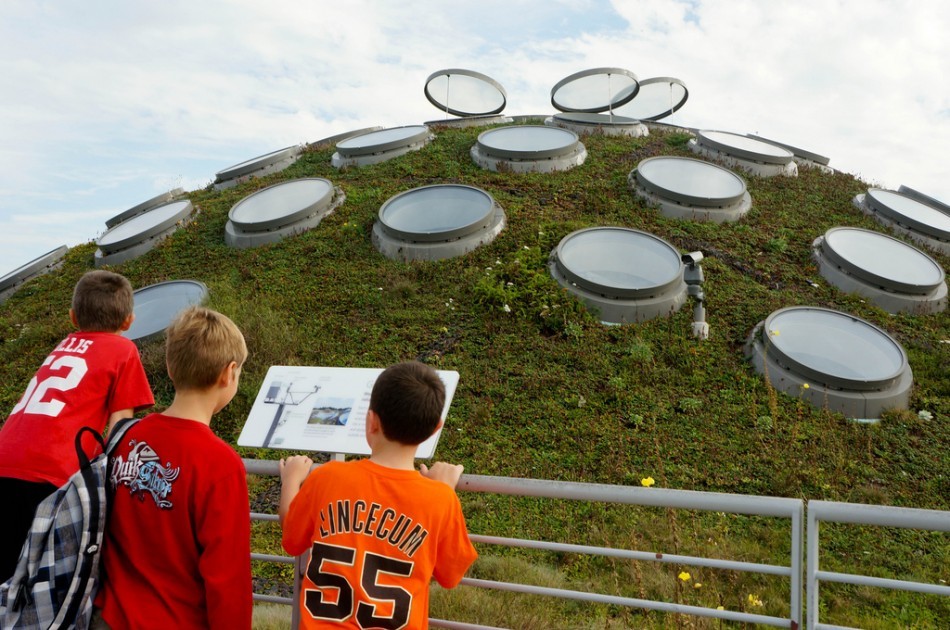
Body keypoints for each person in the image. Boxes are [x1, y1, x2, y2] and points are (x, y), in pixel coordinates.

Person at [279, 360, 477, 630]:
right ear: (435, 429)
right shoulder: (440, 499)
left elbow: (292, 537)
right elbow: (451, 575)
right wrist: (444, 489)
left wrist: (291, 480)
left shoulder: (327, 477)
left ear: (371, 421)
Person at [93, 306, 252, 630]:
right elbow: (228, 581)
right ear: (229, 373)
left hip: (108, 617)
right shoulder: (221, 465)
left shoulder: (124, 437)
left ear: (169, 365)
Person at [0, 270, 154, 583]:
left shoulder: (64, 345)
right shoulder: (123, 349)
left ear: (73, 317)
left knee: (6, 576)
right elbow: (121, 427)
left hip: (6, 462)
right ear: (129, 321)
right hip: (53, 474)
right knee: (47, 581)